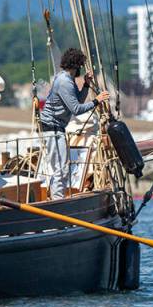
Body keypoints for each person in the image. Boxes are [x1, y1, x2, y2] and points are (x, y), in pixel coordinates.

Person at [38, 48, 110, 199]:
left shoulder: (64, 79)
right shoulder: (65, 82)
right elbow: (76, 109)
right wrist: (97, 100)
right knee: (62, 168)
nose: (80, 69)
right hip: (52, 128)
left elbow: (78, 100)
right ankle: (58, 201)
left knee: (61, 167)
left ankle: (56, 197)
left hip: (55, 128)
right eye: (81, 66)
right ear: (76, 65)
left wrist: (85, 85)